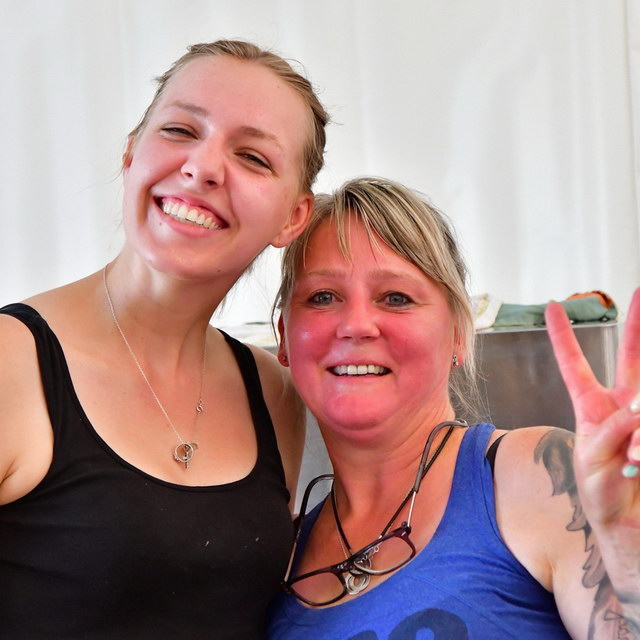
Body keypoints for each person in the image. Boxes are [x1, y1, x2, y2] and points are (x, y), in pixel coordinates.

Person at [0, 40, 329, 639]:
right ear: (131, 153)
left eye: (253, 156)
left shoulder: (272, 392)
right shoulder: (10, 362)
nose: (203, 167)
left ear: (293, 217)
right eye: (180, 129)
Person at [268, 176, 640, 640]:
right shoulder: (277, 551)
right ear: (283, 337)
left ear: (459, 335)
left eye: (396, 297)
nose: (356, 324)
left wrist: (627, 552)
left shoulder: (537, 478)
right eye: (322, 297)